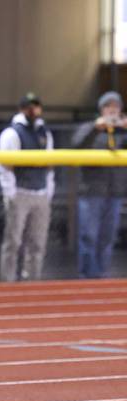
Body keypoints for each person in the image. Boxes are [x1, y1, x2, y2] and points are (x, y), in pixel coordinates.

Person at [0, 92, 55, 282]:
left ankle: (32, 282)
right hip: (20, 192)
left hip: (40, 193)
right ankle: (7, 282)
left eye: (36, 106)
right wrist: (10, 191)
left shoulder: (44, 132)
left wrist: (49, 189)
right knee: (13, 241)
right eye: (29, 106)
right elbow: (4, 165)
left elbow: (50, 163)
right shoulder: (12, 132)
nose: (33, 110)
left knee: (38, 243)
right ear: (22, 109)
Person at [71, 91, 127, 278]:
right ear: (101, 110)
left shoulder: (122, 133)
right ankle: (88, 278)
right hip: (92, 192)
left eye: (116, 107)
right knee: (89, 236)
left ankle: (102, 277)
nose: (112, 111)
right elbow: (76, 145)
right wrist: (96, 128)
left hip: (115, 192)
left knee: (107, 237)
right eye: (108, 106)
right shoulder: (89, 128)